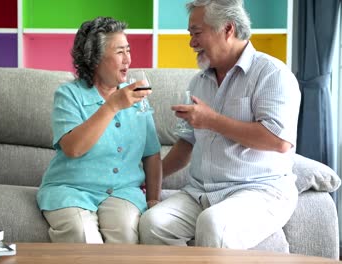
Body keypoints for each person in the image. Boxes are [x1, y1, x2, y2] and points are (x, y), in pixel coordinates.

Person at [139, 0, 301, 250]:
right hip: (201, 192)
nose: (191, 42)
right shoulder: (198, 83)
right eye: (190, 35)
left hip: (259, 191)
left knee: (213, 223)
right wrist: (146, 176)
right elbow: (186, 144)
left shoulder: (272, 74)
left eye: (197, 33)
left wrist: (211, 120)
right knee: (152, 223)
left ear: (228, 29)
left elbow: (278, 141)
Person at [36, 16, 162, 244]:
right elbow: (73, 148)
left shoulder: (138, 96)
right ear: (94, 59)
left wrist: (153, 199)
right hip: (71, 189)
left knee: (125, 233)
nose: (128, 59)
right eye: (120, 52)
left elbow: (151, 153)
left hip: (123, 191)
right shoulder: (68, 95)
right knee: (82, 235)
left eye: (129, 50)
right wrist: (113, 105)